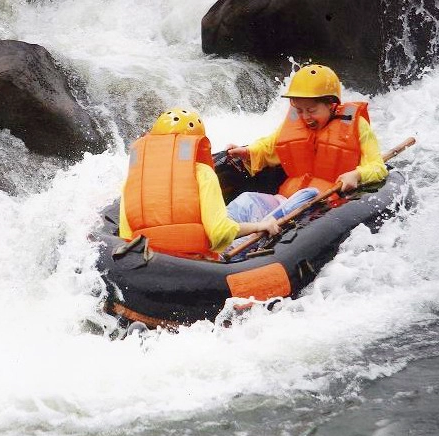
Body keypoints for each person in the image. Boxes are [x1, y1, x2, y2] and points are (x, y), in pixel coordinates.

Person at [118, 108, 281, 259]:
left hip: (149, 264)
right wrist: (260, 226)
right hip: (197, 265)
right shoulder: (203, 173)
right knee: (248, 204)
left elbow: (125, 238)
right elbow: (220, 234)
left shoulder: (132, 179)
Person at [227, 64, 388, 197]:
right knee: (247, 202)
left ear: (331, 105)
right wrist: (248, 152)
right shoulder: (296, 122)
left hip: (329, 204)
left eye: (311, 110)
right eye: (299, 110)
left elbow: (378, 167)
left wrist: (357, 175)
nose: (305, 117)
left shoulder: (357, 126)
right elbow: (269, 147)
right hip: (290, 199)